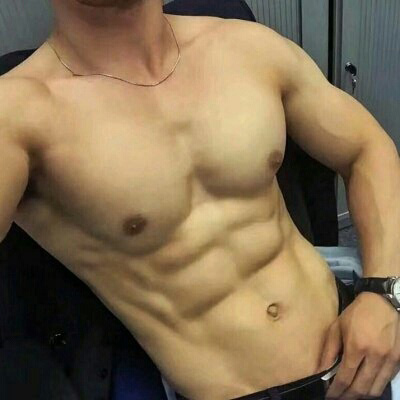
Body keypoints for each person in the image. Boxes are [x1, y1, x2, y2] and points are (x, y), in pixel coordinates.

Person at [0, 0, 399, 399]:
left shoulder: (245, 46)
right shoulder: (16, 116)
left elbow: (366, 147)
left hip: (360, 351)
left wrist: (385, 292)